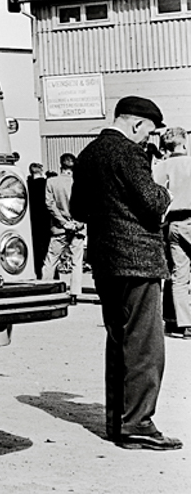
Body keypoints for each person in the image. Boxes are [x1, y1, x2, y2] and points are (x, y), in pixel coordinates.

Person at [71, 95, 181, 450]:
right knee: (145, 346)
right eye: (149, 133)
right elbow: (153, 204)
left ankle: (118, 423)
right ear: (136, 125)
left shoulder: (89, 153)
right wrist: (164, 187)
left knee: (118, 341)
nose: (150, 140)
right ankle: (138, 423)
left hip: (106, 261)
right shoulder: (130, 154)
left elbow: (78, 209)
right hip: (139, 261)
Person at [153, 125, 191, 339]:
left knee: (179, 274)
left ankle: (185, 323)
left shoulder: (163, 166)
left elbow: (156, 194)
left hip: (173, 223)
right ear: (184, 142)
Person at [44, 153, 85, 301]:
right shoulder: (80, 182)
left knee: (51, 260)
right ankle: (74, 293)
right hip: (78, 227)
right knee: (76, 261)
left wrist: (62, 221)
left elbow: (49, 204)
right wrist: (78, 223)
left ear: (61, 165)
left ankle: (46, 290)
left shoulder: (51, 182)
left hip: (59, 227)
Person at [27, 163, 50, 278]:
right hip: (46, 219)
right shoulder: (47, 184)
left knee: (36, 248)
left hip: (33, 220)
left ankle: (38, 272)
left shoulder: (28, 185)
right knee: (48, 248)